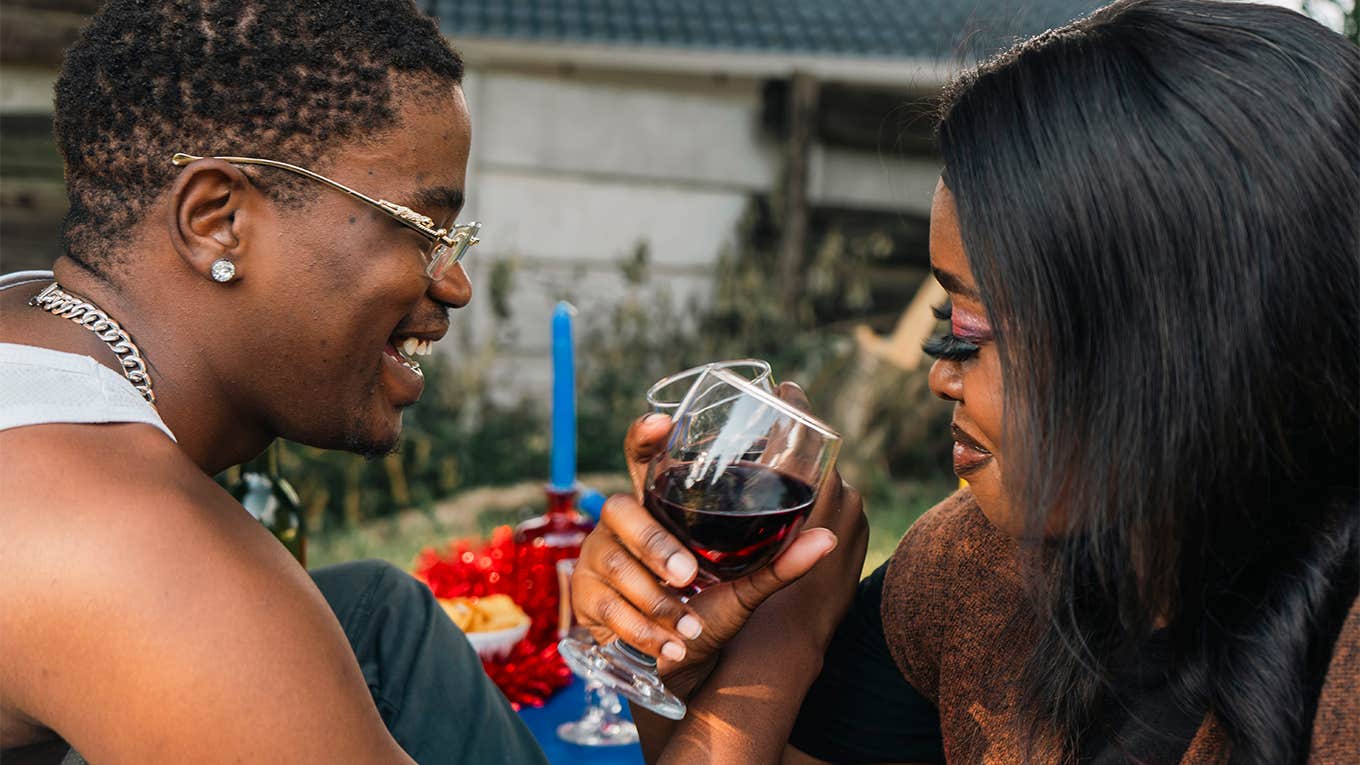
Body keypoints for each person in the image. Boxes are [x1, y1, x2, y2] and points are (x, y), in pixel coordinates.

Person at [570, 1, 1360, 763]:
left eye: (970, 332)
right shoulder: (972, 570)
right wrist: (696, 652)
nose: (941, 377)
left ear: (1179, 345)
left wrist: (788, 631)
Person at [0, 1, 549, 762]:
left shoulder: (28, 317)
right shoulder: (142, 547)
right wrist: (752, 656)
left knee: (380, 613)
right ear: (216, 219)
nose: (453, 284)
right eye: (423, 231)